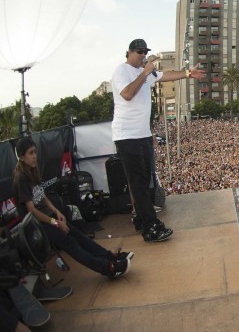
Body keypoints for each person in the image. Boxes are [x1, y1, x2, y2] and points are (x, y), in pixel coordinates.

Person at [111, 39, 203, 242]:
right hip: (127, 136)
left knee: (145, 181)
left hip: (142, 134)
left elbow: (166, 75)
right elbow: (127, 94)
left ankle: (141, 218)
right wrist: (144, 74)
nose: (143, 55)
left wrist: (188, 73)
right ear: (129, 52)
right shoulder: (122, 71)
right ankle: (150, 227)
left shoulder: (145, 72)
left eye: (145, 51)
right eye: (139, 51)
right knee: (138, 182)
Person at [12, 137, 132, 278]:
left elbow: (43, 197)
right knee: (70, 242)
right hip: (36, 225)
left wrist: (56, 212)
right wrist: (56, 223)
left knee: (78, 235)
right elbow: (32, 210)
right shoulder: (21, 179)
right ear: (22, 157)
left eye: (35, 152)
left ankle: (109, 256)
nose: (34, 156)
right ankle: (108, 268)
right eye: (30, 153)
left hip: (48, 217)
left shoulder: (33, 171)